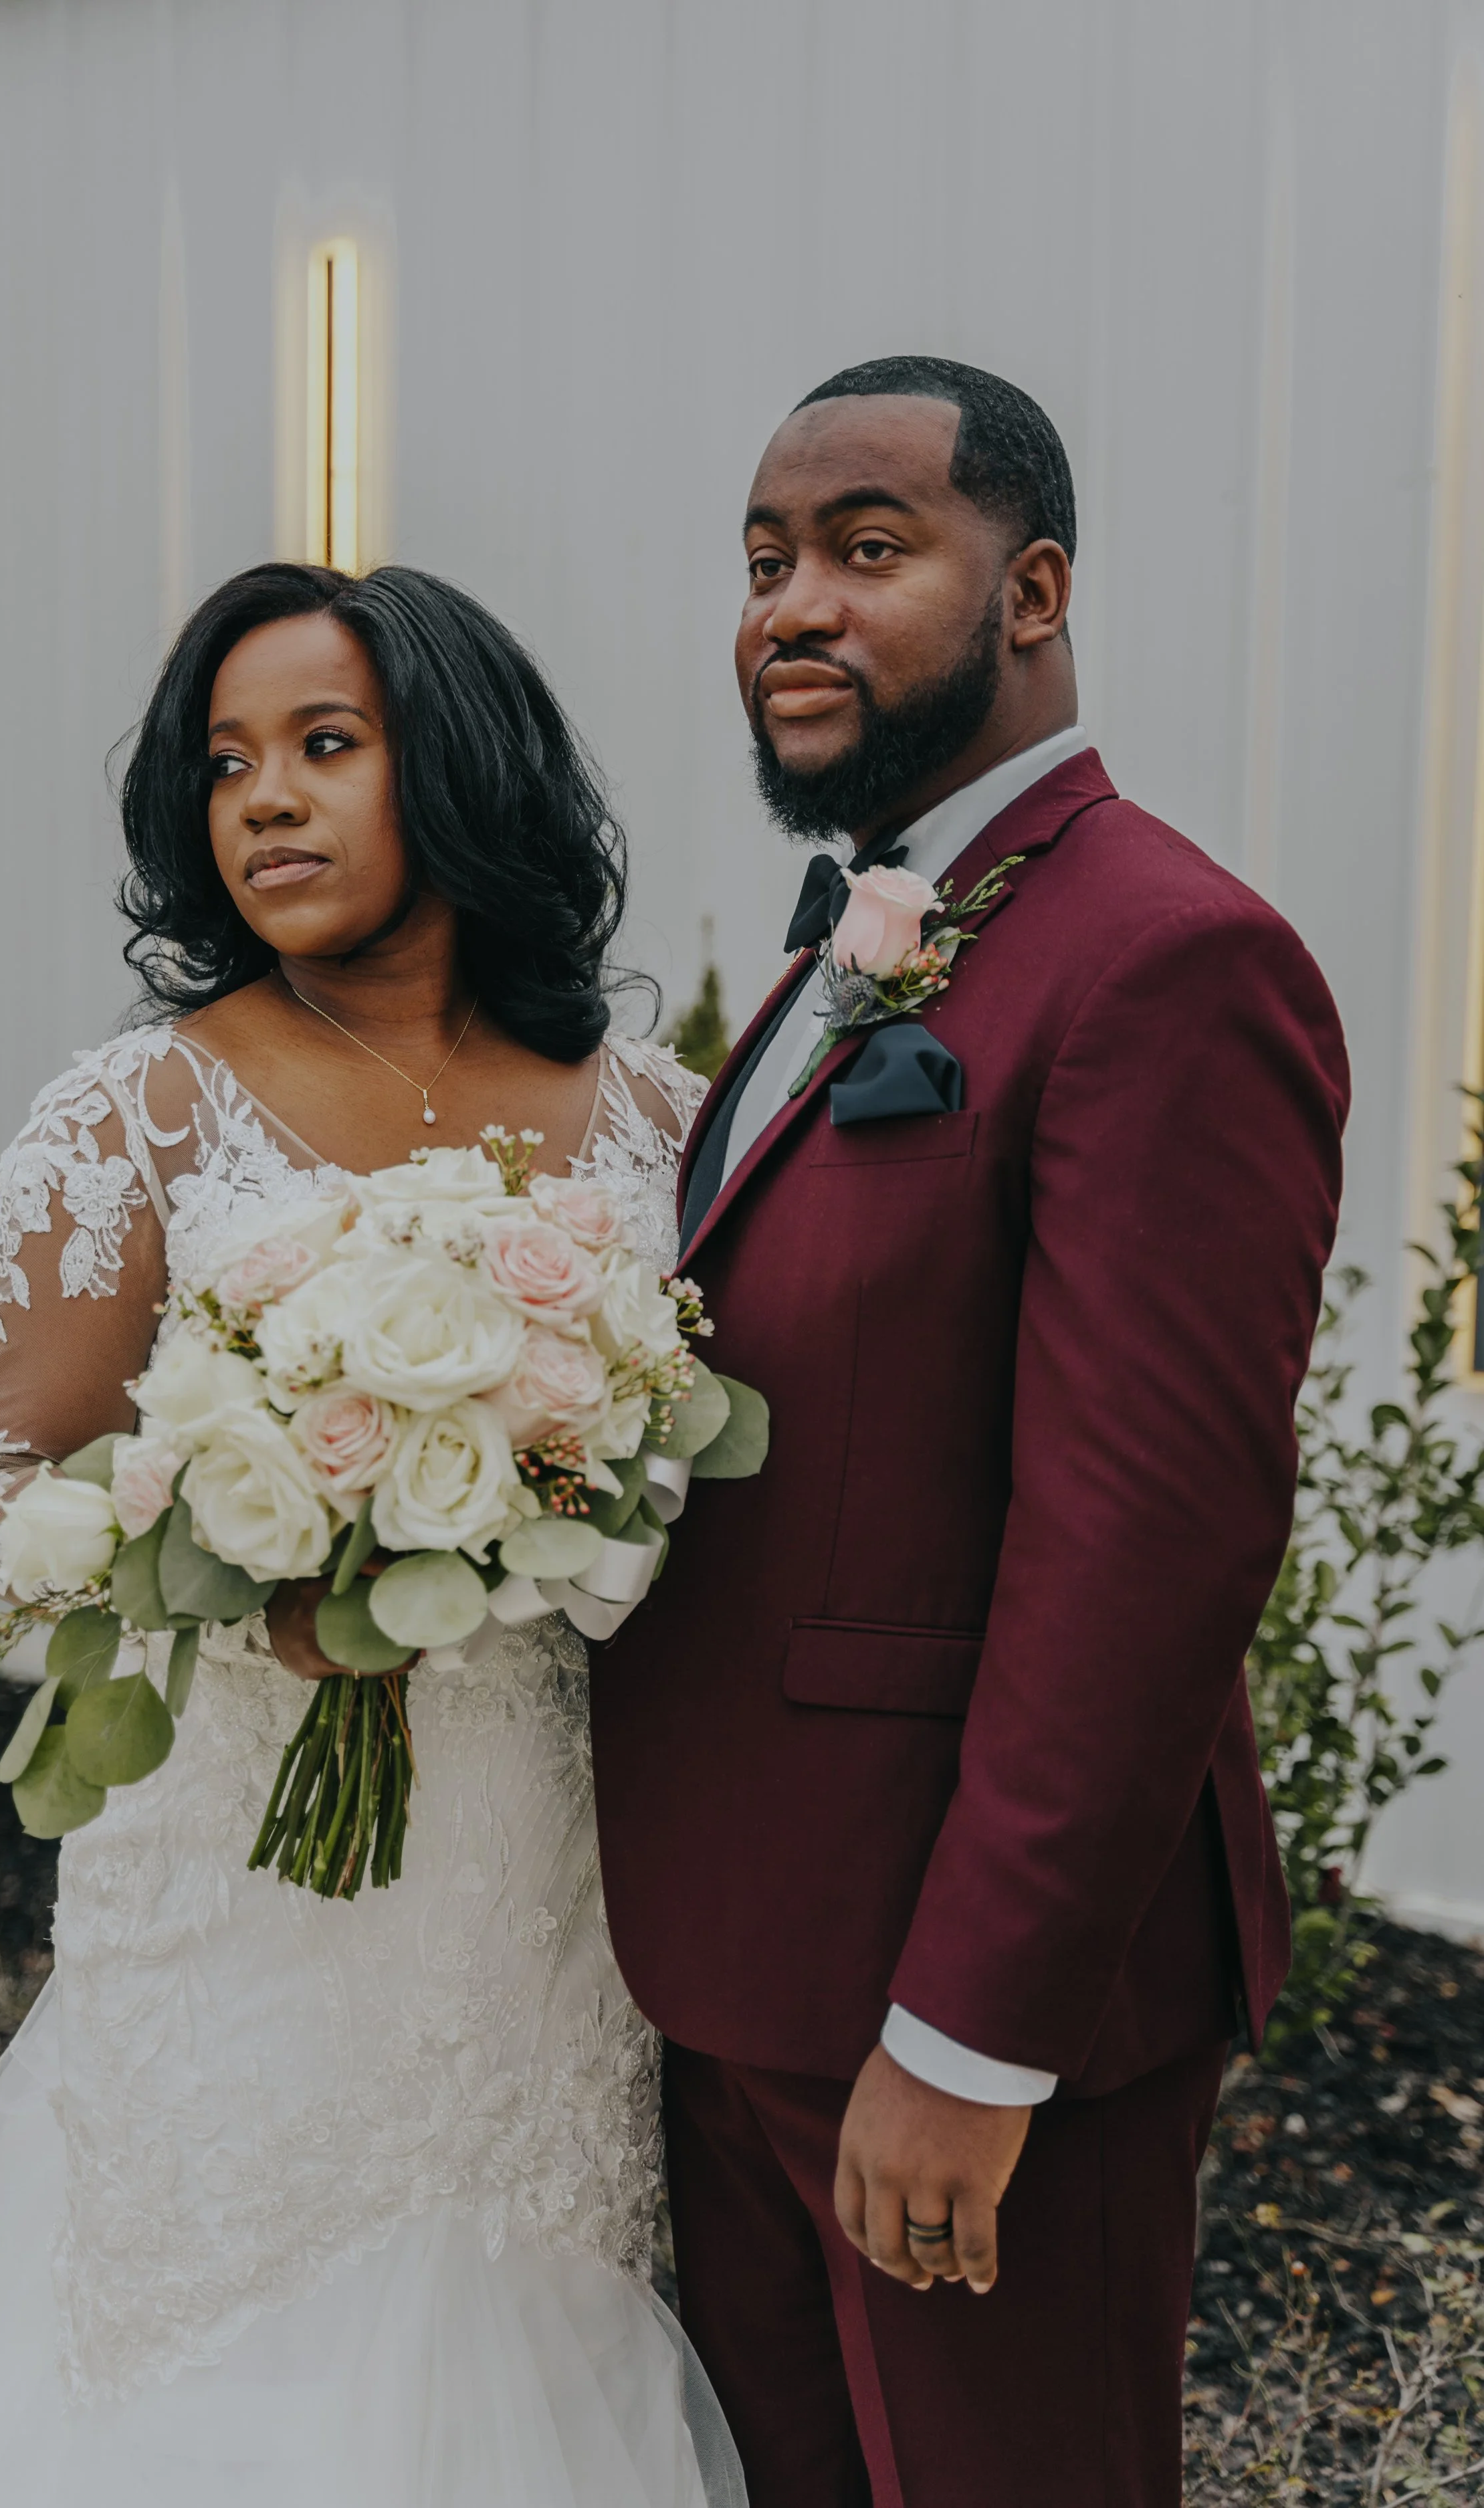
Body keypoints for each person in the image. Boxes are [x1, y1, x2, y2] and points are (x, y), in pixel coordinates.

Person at [0, 562, 744, 2508]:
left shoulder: (658, 1117)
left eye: (327, 745)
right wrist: (254, 1577)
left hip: (540, 1885)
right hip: (239, 1894)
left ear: (462, 769)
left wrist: (543, 1502)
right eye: (226, 761)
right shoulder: (136, 1115)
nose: (265, 800)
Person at [591, 356, 1351, 2507]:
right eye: (759, 562)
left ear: (1031, 588)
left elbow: (1148, 1541)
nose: (788, 605)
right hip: (738, 1951)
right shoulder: (859, 929)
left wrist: (966, 2037)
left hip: (957, 2000)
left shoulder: (1166, 957)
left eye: (862, 545)